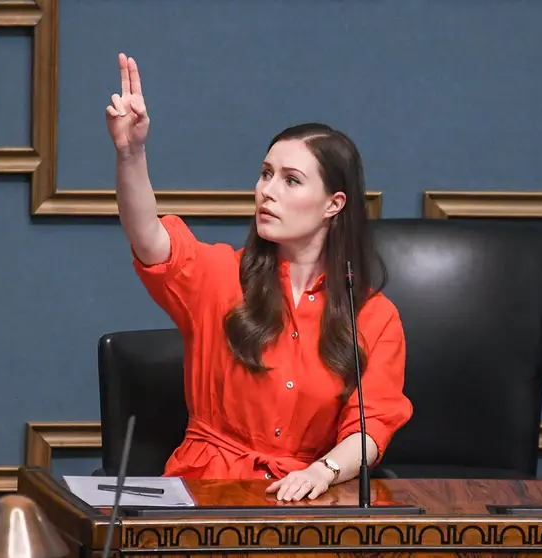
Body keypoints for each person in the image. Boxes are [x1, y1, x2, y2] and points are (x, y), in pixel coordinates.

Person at [105, 53, 412, 503]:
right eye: (266, 174)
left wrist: (323, 471)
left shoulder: (375, 316)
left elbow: (371, 429)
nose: (267, 191)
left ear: (334, 204)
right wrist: (131, 153)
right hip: (205, 486)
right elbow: (149, 238)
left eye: (291, 180)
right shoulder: (219, 274)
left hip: (304, 492)